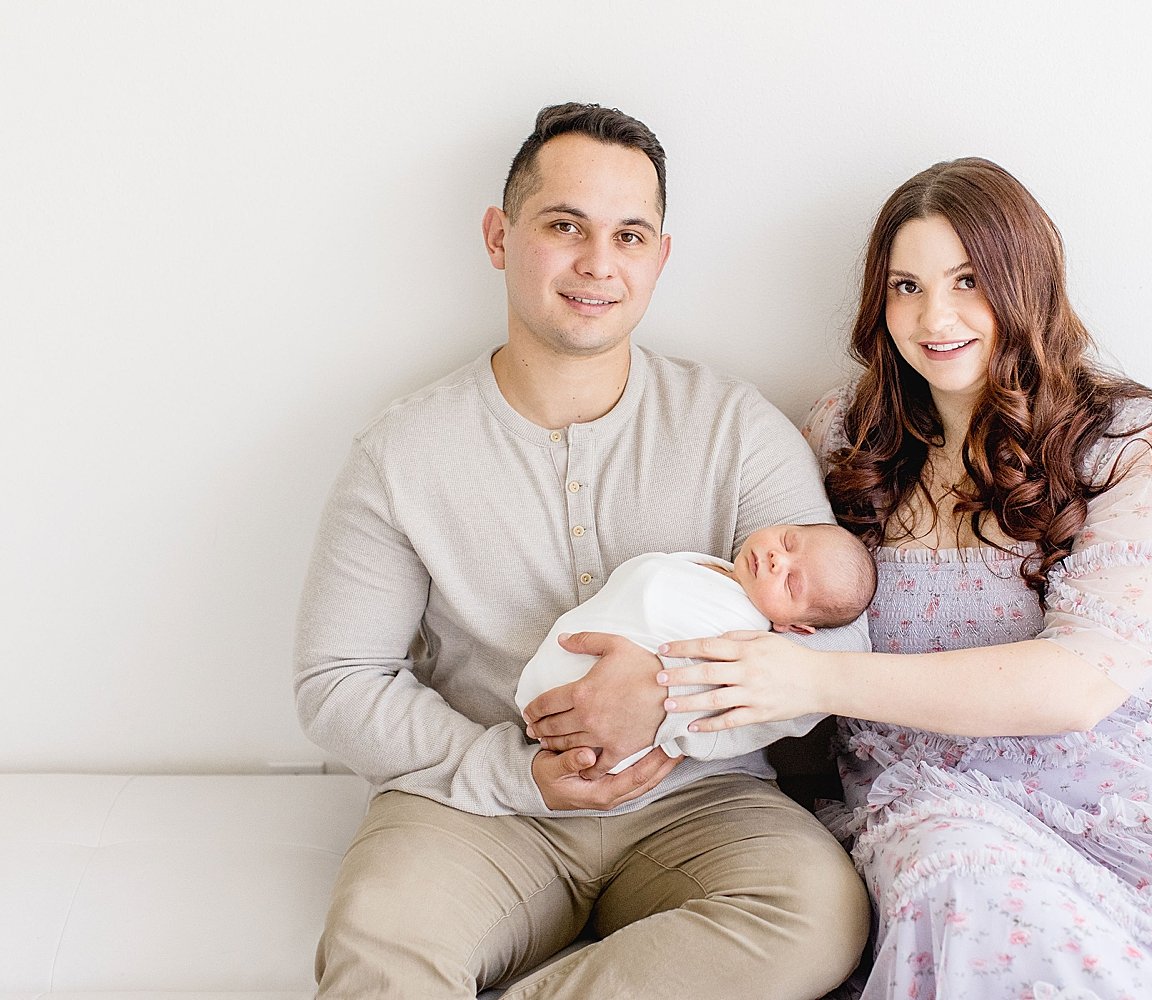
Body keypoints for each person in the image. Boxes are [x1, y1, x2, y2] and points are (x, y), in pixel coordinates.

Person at [655, 158, 1152, 998]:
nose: (934, 317)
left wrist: (814, 676)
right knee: (983, 902)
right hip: (937, 792)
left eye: (968, 279)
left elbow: (1079, 686)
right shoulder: (843, 435)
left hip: (1145, 782)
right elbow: (747, 591)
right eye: (906, 286)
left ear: (1026, 281)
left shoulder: (1138, 439)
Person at [293, 103, 869, 999]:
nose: (600, 263)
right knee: (380, 955)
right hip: (475, 805)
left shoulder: (736, 428)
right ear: (499, 235)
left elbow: (838, 645)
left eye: (630, 235)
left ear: (659, 257)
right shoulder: (402, 452)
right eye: (566, 226)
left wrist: (666, 694)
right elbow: (338, 680)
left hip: (702, 801)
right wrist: (516, 772)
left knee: (820, 914)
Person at [516, 522, 878, 774]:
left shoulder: (746, 638)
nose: (776, 560)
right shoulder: (719, 569)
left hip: (603, 735)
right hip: (562, 668)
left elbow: (708, 696)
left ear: (794, 627)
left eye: (790, 582)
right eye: (787, 541)